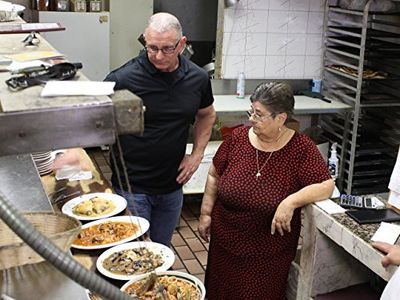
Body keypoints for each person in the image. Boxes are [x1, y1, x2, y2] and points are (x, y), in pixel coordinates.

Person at [198, 82, 334, 300]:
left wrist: (290, 201)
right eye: (251, 111)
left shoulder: (300, 148)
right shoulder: (239, 138)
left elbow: (326, 185)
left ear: (280, 118)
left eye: (259, 115)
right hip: (225, 243)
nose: (251, 118)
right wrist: (205, 214)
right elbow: (214, 174)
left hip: (267, 255)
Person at [104, 12, 216, 247]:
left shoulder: (197, 78)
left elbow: (206, 114)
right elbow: (92, 118)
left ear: (182, 44)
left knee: (161, 249)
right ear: (145, 40)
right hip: (132, 187)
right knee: (134, 254)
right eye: (151, 47)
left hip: (172, 186)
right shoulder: (122, 78)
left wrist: (197, 156)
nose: (157, 55)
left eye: (167, 49)